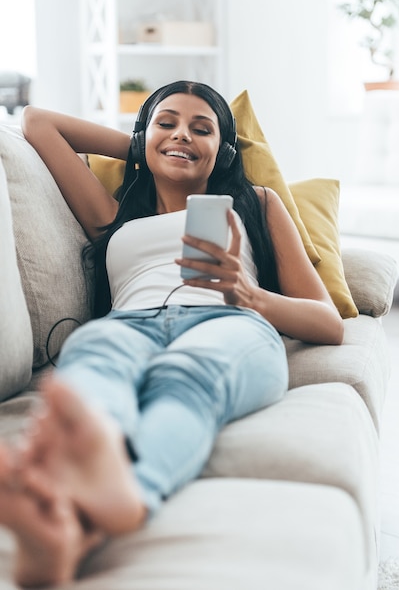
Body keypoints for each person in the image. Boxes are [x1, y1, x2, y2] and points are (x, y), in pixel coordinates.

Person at [0, 80, 344, 588]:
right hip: (127, 325)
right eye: (168, 122)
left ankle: (118, 499)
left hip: (229, 323)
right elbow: (37, 123)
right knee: (95, 367)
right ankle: (92, 483)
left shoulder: (256, 203)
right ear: (143, 136)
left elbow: (328, 322)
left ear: (224, 150)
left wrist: (249, 295)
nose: (182, 135)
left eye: (201, 129)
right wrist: (147, 144)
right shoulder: (113, 215)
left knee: (185, 375)